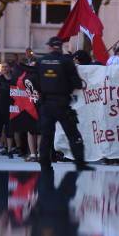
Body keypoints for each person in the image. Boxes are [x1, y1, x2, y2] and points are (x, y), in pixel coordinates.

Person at [36, 36, 93, 171]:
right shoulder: (66, 61)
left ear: (50, 47)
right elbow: (77, 83)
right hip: (62, 103)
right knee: (73, 135)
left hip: (46, 103)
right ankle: (80, 163)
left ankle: (44, 163)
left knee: (46, 135)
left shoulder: (41, 61)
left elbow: (35, 81)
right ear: (61, 46)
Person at [0, 61, 15, 159]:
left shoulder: (14, 79)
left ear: (10, 68)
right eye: (3, 67)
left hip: (10, 107)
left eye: (6, 67)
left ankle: (9, 150)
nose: (4, 68)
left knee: (9, 129)